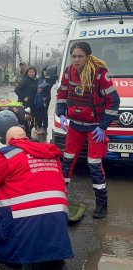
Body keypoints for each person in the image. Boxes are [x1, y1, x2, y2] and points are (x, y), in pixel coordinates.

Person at [0, 126, 74, 268]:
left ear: (8, 142)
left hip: (24, 220)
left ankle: (9, 253)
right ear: (26, 138)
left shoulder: (7, 154)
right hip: (58, 216)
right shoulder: (50, 153)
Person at [56, 41, 120, 219]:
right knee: (67, 162)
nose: (76, 60)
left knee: (94, 165)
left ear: (88, 57)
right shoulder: (68, 72)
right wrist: (61, 114)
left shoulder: (100, 74)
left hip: (95, 128)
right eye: (74, 56)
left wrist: (103, 126)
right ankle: (60, 199)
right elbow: (61, 95)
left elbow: (114, 101)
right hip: (75, 125)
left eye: (80, 56)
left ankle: (101, 204)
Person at [35, 67, 54, 134]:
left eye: (47, 71)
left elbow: (48, 88)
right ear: (42, 71)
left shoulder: (50, 79)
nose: (45, 72)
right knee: (38, 113)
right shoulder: (40, 78)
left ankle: (44, 128)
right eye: (44, 71)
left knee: (44, 113)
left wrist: (41, 89)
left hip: (45, 98)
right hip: (38, 98)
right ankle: (39, 126)